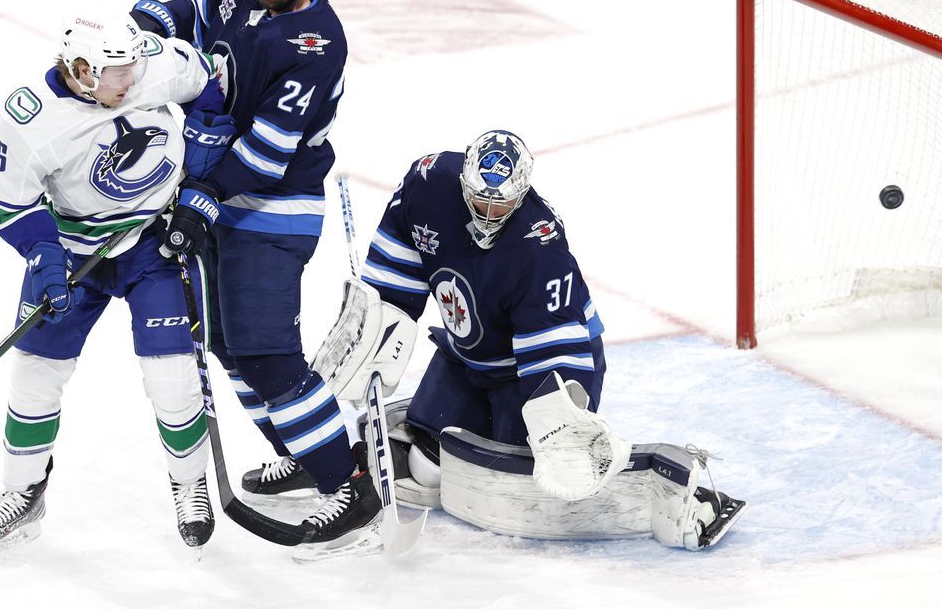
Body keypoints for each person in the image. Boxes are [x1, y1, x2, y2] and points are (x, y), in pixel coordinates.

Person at [246, 130, 747, 550]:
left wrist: (557, 416)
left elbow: (557, 348)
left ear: (522, 192)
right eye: (478, 198)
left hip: (532, 371)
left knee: (533, 478)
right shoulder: (428, 184)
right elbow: (398, 259)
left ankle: (685, 497)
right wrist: (376, 322)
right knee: (418, 459)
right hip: (468, 359)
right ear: (463, 177)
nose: (487, 211)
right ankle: (325, 463)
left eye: (499, 202)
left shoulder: (539, 245)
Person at [130, 0, 380, 549]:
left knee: (266, 352)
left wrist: (205, 195)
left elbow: (271, 151)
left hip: (276, 207)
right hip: (220, 193)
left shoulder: (318, 43)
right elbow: (202, 9)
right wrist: (166, 15)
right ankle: (302, 448)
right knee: (229, 345)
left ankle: (348, 483)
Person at [0, 13, 230, 552]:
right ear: (82, 70)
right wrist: (42, 255)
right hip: (73, 254)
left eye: (133, 67)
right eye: (117, 73)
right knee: (36, 373)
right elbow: (11, 206)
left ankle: (189, 484)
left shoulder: (151, 63)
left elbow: (211, 84)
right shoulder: (28, 118)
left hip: (153, 244)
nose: (132, 81)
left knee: (172, 377)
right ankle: (23, 493)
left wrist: (203, 166)